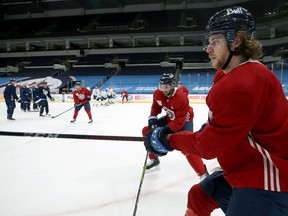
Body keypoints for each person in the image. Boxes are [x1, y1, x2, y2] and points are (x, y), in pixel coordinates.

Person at [144, 6, 288, 216]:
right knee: (200, 196)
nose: (207, 48)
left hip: (271, 179)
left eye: (215, 41)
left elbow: (209, 146)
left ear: (236, 41)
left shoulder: (243, 83)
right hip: (249, 167)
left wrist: (167, 139)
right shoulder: (230, 76)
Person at [142, 73, 208, 181]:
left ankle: (203, 174)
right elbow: (155, 108)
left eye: (166, 87)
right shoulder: (158, 94)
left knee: (187, 146)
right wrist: (153, 120)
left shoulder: (181, 98)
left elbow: (179, 121)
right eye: (161, 86)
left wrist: (163, 131)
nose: (163, 89)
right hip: (170, 118)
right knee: (147, 131)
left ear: (172, 86)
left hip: (184, 120)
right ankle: (154, 160)